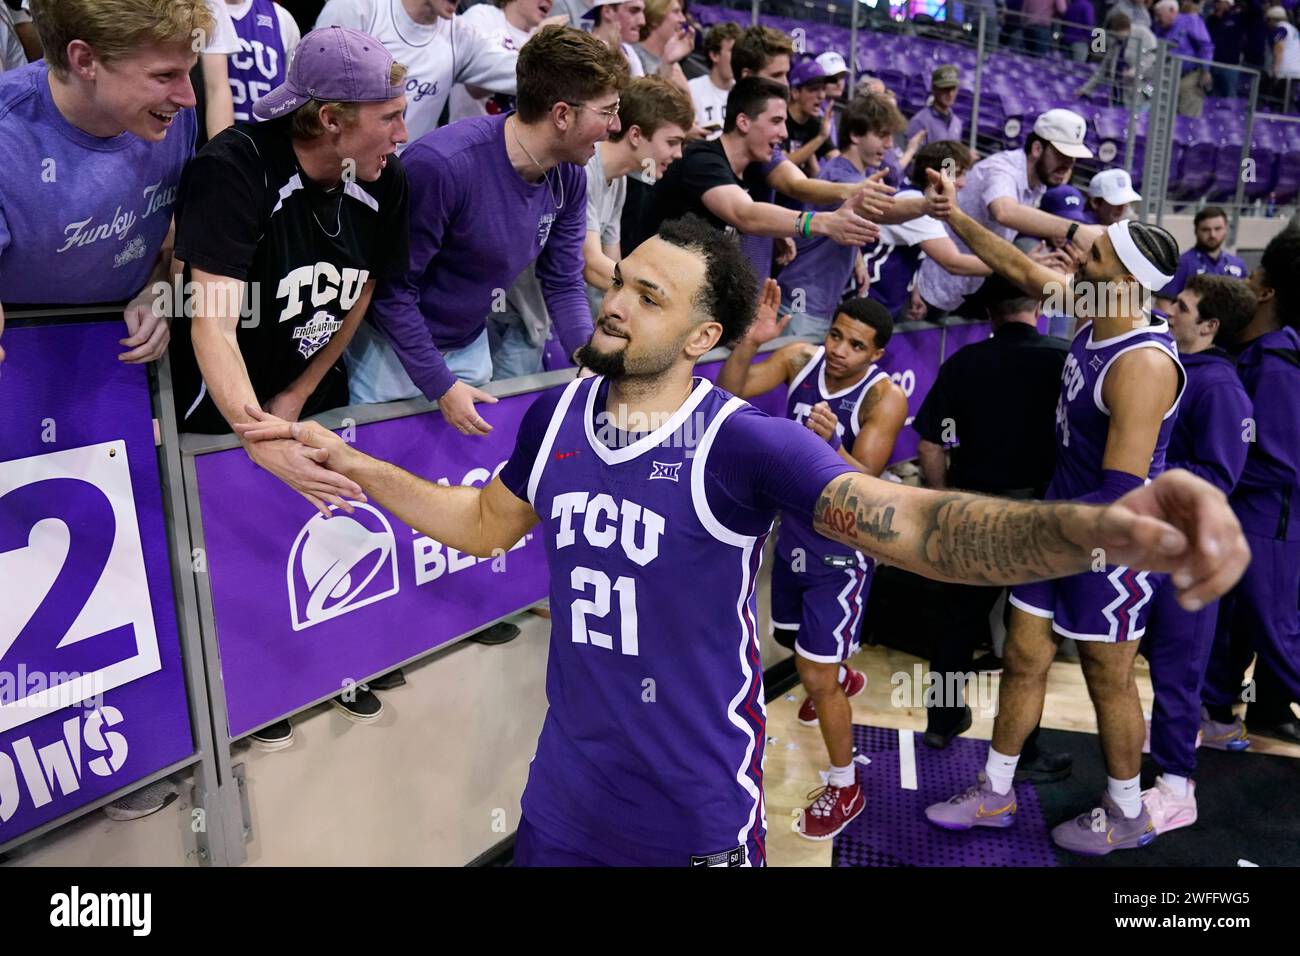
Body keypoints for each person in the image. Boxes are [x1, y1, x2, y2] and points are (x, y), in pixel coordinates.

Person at [235, 215, 1249, 867]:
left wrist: (1095, 527)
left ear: (703, 339)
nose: (618, 303)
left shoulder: (743, 446)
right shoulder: (556, 418)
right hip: (557, 807)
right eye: (620, 281)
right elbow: (479, 523)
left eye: (649, 296)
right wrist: (359, 468)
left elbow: (923, 529)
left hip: (691, 820)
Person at [921, 165, 1204, 856]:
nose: (1082, 255)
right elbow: (1016, 262)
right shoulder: (1092, 306)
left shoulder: (1142, 363)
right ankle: (994, 793)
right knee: (1023, 657)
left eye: (1097, 255)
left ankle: (1130, 811)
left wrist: (1029, 530)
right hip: (1058, 524)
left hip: (1111, 539)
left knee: (1108, 676)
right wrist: (954, 215)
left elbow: (1117, 490)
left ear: (1127, 280)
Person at [168, 24, 409, 735]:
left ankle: (323, 669)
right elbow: (209, 319)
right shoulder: (235, 167)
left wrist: (296, 398)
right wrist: (255, 426)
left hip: (301, 383)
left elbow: (363, 289)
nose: (403, 132)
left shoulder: (383, 182)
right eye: (390, 118)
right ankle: (237, 696)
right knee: (228, 547)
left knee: (315, 534)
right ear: (331, 120)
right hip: (222, 390)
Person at [349, 26, 623, 430]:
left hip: (470, 345)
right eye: (608, 111)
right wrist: (441, 384)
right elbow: (391, 291)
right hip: (391, 352)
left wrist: (589, 359)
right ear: (562, 114)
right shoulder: (443, 166)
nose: (614, 126)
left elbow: (563, 281)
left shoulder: (570, 177)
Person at [717, 294, 907, 840]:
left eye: (856, 345)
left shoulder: (883, 397)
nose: (840, 351)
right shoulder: (801, 361)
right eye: (836, 336)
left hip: (842, 551)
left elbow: (865, 485)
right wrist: (750, 342)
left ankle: (845, 786)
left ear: (878, 354)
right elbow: (729, 394)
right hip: (794, 536)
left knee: (814, 676)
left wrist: (829, 444)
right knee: (795, 642)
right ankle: (839, 671)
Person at [0, 0, 210, 365]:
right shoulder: (9, 133)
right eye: (164, 76)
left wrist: (159, 289)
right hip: (20, 330)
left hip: (121, 335)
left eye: (189, 72)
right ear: (84, 61)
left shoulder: (169, 118)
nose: (189, 98)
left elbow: (172, 230)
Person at [913, 294, 1072, 752]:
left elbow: (930, 445)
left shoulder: (964, 362)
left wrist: (945, 499)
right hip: (1038, 518)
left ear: (989, 311)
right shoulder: (1063, 360)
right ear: (1039, 307)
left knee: (957, 627)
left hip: (973, 516)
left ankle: (941, 723)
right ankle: (1028, 743)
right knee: (1030, 636)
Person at [1140, 274, 1255, 832]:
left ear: (1208, 326)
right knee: (1149, 662)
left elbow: (1219, 476)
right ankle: (1164, 742)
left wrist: (1147, 470)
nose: (1169, 310)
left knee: (1180, 671)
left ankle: (1176, 786)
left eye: (1180, 307)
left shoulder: (1220, 390)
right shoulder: (1173, 366)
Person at [490, 75, 692, 380]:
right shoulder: (585, 170)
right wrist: (662, 297)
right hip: (512, 315)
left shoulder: (620, 180)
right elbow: (593, 265)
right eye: (672, 142)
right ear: (635, 135)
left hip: (541, 318)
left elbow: (616, 267)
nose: (677, 154)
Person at [641, 77, 886, 288]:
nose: (785, 134)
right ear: (744, 122)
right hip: (646, 283)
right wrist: (822, 222)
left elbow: (796, 185)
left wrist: (855, 190)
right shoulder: (702, 160)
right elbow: (745, 215)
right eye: (776, 121)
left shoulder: (755, 167)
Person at [1201, 224, 1300, 746]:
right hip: (1247, 516)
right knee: (1228, 623)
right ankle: (1216, 713)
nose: (1246, 274)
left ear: (1267, 292)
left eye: (1257, 271)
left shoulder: (1278, 365)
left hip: (1273, 523)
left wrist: (1212, 471)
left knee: (1278, 636)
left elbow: (1282, 465)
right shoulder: (1249, 350)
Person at [917, 108, 1102, 320]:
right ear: (1036, 148)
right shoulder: (1003, 169)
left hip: (971, 288)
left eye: (1073, 159)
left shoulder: (1039, 182)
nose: (1068, 165)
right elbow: (1003, 212)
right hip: (933, 288)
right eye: (1061, 156)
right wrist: (1073, 230)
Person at [314, 0, 519, 142]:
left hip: (404, 177)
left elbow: (521, 72)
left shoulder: (460, 36)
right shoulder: (358, 8)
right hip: (341, 170)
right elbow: (312, 92)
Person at [448, 0, 562, 122]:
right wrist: (536, 43)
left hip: (516, 136)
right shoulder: (482, 15)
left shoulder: (544, 37)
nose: (550, 1)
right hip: (470, 133)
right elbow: (474, 88)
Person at [224, 0, 302, 124]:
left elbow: (295, 92)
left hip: (268, 135)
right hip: (211, 136)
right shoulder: (200, 13)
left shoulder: (281, 17)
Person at [1157, 206, 1247, 299]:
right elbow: (1164, 306)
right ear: (1196, 231)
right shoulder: (1181, 264)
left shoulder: (1238, 264)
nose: (1212, 235)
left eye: (1218, 228)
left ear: (1226, 229)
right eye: (1206, 230)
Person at [1078, 12, 1158, 107]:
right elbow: (1102, 71)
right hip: (1118, 93)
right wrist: (1085, 90)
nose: (1113, 37)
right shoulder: (1115, 43)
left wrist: (1135, 70)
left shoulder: (1143, 34)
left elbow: (1152, 56)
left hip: (1140, 93)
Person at [1152, 0, 1215, 117]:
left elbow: (1206, 45)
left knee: (1187, 118)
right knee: (1165, 116)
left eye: (1159, 15)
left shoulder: (1190, 20)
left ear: (1172, 11)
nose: (1157, 19)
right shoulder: (1159, 28)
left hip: (1190, 77)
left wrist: (1206, 70)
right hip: (1166, 78)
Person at [782, 58, 833, 182]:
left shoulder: (816, 123)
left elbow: (836, 158)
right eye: (814, 89)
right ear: (795, 93)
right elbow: (781, 164)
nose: (821, 96)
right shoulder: (780, 120)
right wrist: (819, 139)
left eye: (823, 89)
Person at [688, 20, 741, 138]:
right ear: (714, 55)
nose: (738, 57)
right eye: (732, 51)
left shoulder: (744, 93)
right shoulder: (692, 89)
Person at [634, 0, 693, 96]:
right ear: (655, 18)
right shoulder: (632, 55)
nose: (683, 19)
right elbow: (644, 104)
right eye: (676, 12)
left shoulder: (674, 62)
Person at [587, 0, 647, 78]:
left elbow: (640, 88)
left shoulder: (628, 51)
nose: (642, 22)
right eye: (633, 11)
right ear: (607, 11)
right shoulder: (583, 51)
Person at [906, 65, 963, 148]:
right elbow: (913, 157)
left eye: (953, 89)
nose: (950, 94)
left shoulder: (956, 123)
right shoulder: (920, 122)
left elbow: (951, 159)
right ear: (934, 89)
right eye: (945, 89)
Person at [1205, 0, 1245, 98]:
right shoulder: (1211, 20)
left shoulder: (1237, 18)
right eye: (1216, 2)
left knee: (1229, 97)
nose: (1217, 5)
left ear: (1228, 4)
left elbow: (1254, 11)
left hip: (1230, 66)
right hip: (1212, 65)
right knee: (1210, 96)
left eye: (1220, 2)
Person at [1265, 5, 1300, 107]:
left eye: (1268, 20)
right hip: (1296, 71)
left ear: (1272, 19)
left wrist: (1276, 70)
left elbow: (1279, 48)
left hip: (1285, 72)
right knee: (1289, 103)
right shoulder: (1293, 29)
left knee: (1280, 104)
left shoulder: (1281, 28)